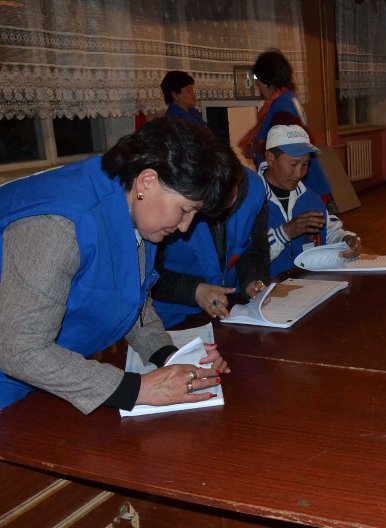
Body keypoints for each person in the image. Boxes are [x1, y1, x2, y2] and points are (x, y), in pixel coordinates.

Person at [0, 118, 240, 414]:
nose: (184, 226)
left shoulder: (138, 207)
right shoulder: (59, 225)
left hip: (54, 373)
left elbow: (132, 298)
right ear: (147, 182)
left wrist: (168, 356)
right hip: (10, 382)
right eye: (184, 210)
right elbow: (20, 349)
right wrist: (138, 389)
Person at [152, 167, 270, 327]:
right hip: (170, 318)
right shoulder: (171, 190)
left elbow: (255, 248)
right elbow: (146, 274)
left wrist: (252, 279)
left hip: (228, 310)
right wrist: (194, 290)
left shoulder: (254, 190)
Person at [262, 125, 361, 276]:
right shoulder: (249, 201)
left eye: (305, 164)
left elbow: (329, 231)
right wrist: (284, 233)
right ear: (270, 158)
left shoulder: (310, 198)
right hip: (268, 287)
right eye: (293, 164)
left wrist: (345, 239)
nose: (299, 174)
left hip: (309, 282)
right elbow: (245, 260)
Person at [239, 49, 332, 198]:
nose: (257, 83)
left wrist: (257, 148)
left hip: (297, 187)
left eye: (257, 78)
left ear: (266, 80)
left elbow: (288, 147)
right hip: (301, 183)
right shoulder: (287, 99)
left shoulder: (281, 106)